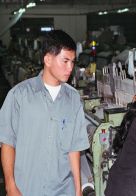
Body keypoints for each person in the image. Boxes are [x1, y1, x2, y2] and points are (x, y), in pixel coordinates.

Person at [0, 30, 89, 196]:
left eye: (72, 62)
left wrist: (78, 190)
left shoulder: (73, 99)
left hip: (63, 190)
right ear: (48, 59)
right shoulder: (19, 95)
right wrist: (10, 186)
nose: (70, 67)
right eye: (65, 61)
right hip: (27, 189)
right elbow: (7, 143)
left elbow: (74, 149)